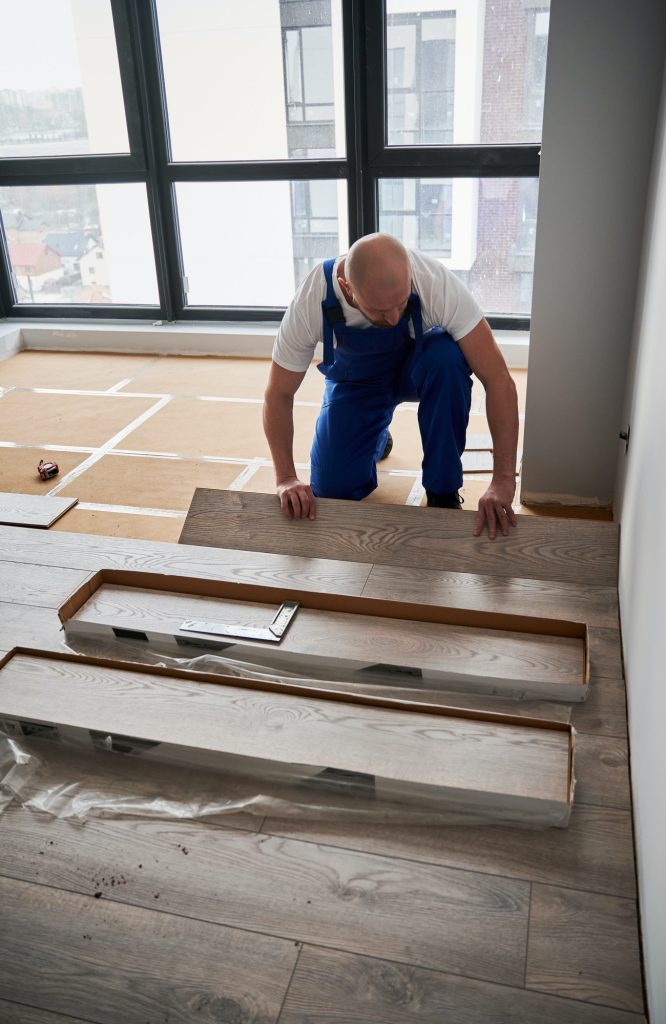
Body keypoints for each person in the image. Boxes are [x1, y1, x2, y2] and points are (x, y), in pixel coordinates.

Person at [263, 232, 518, 539]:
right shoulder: (312, 299)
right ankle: (375, 437)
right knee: (332, 489)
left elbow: (498, 379)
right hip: (359, 382)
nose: (396, 317)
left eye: (401, 303)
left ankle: (443, 490)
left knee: (448, 359)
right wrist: (286, 477)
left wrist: (503, 479)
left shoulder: (432, 280)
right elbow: (278, 394)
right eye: (381, 311)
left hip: (419, 368)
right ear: (347, 288)